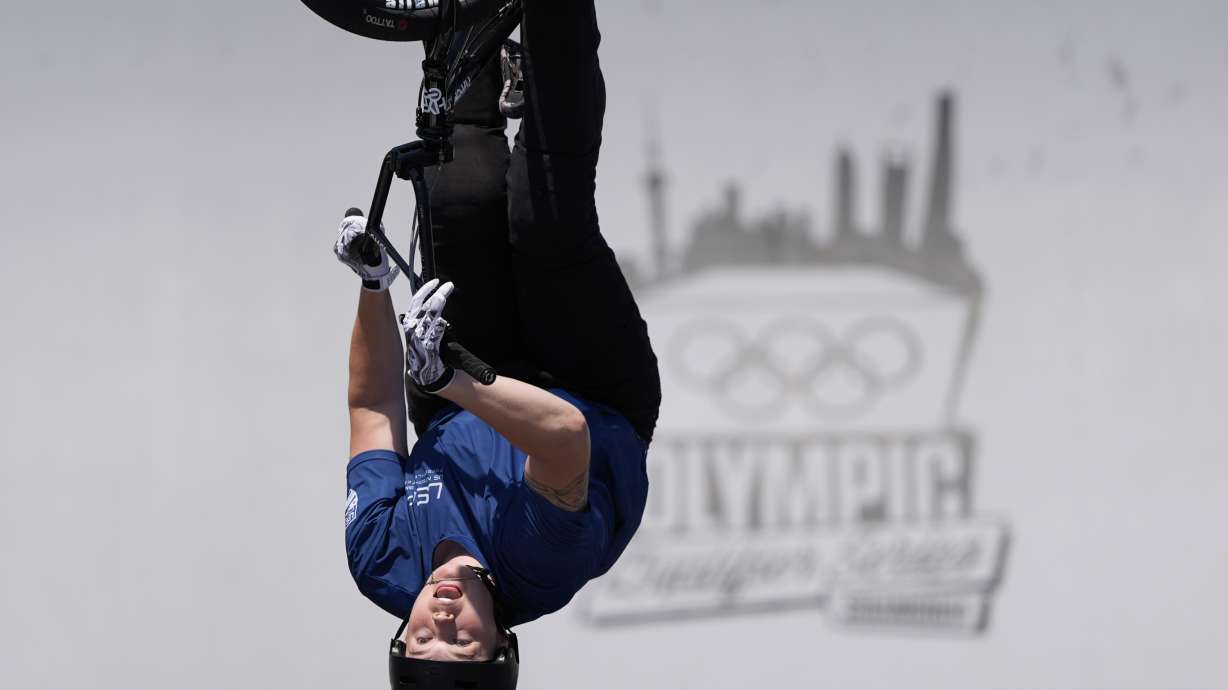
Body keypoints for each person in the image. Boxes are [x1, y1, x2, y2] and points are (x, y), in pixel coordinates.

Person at [333, 0, 661, 685]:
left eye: (422, 641)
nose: (441, 621)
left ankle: (467, 23)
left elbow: (372, 409)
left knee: (461, 192)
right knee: (544, 222)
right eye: (461, 644)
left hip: (461, 387)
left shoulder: (380, 560)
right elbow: (564, 437)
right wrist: (450, 377)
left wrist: (373, 285)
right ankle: (552, 38)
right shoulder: (539, 569)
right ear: (502, 646)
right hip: (589, 391)